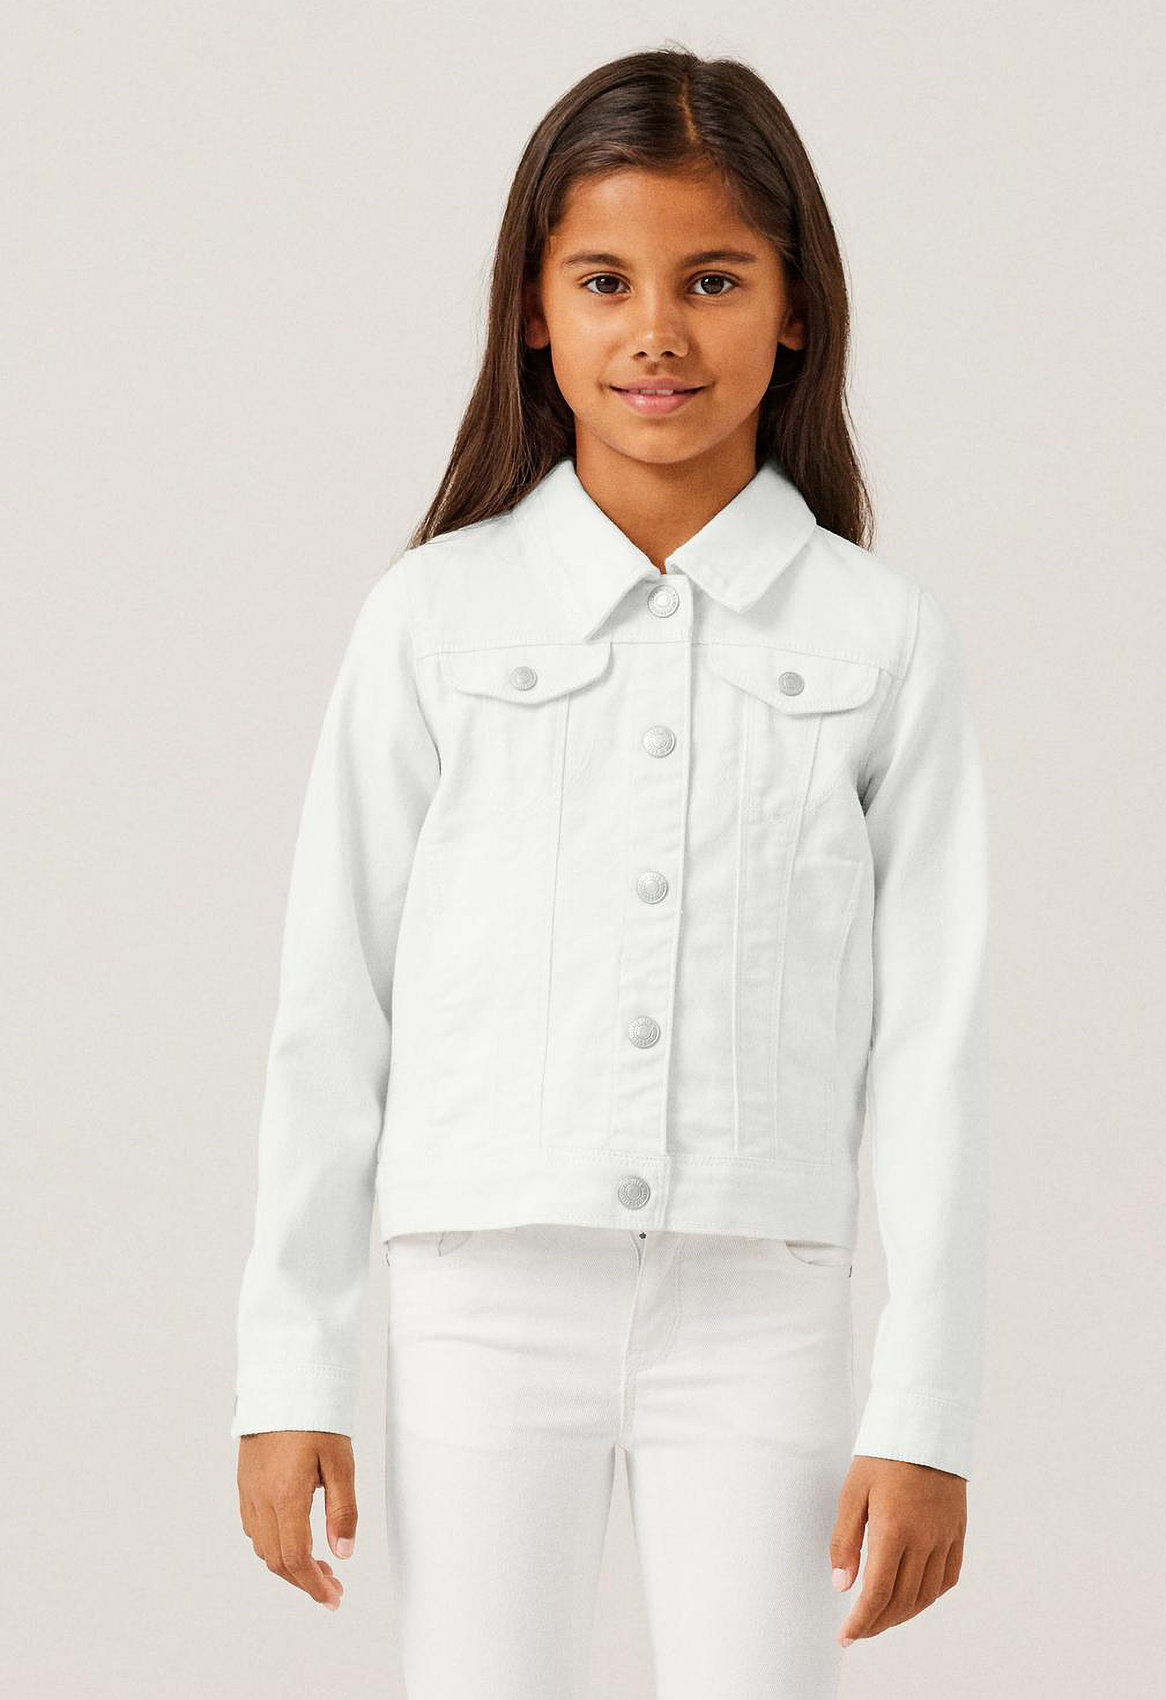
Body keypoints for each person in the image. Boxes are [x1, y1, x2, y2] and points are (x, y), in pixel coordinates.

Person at [232, 44, 990, 1700]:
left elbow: (935, 1047)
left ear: (796, 309)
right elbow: (331, 1006)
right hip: (480, 1292)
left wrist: (924, 1410)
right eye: (604, 281)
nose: (658, 331)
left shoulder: (881, 639)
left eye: (713, 280)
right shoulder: (433, 618)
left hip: (763, 1301)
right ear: (533, 310)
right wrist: (290, 1373)